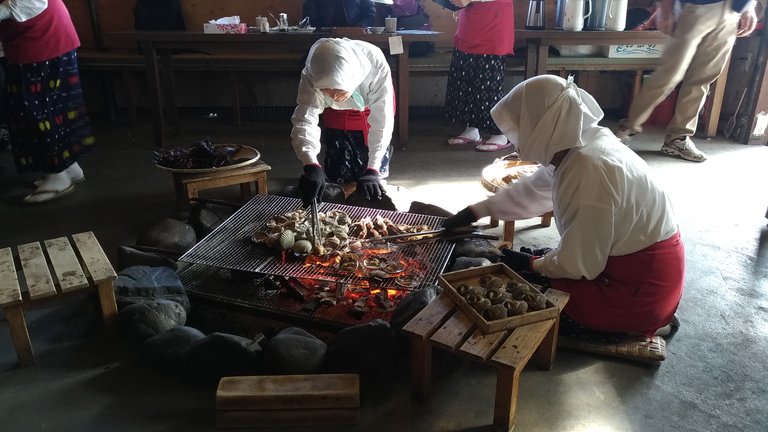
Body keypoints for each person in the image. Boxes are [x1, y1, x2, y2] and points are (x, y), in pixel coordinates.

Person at [443, 75, 685, 338]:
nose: (515, 138)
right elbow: (535, 190)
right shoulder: (581, 145)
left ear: (542, 125)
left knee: (524, 298)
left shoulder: (588, 169)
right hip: (637, 271)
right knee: (531, 262)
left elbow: (580, 265)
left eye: (520, 127)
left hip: (636, 289)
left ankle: (637, 324)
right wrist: (478, 210)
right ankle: (645, 315)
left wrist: (533, 265)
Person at [616, 0, 758, 162]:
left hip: (732, 12)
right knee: (668, 76)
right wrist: (666, 8)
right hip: (696, 8)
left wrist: (749, 7)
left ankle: (678, 138)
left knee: (703, 78)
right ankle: (626, 130)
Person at [0, 0, 94, 203]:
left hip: (40, 38)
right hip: (45, 35)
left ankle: (57, 174)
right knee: (53, 106)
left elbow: (31, 2)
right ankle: (68, 166)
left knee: (35, 109)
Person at [291, 38, 395, 207]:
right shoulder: (313, 69)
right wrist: (310, 163)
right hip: (337, 119)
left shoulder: (375, 65)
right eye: (325, 89)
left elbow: (382, 120)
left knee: (372, 184)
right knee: (339, 172)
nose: (333, 96)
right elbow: (305, 117)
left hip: (370, 110)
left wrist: (373, 169)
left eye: (338, 89)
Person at [444, 0, 515, 152]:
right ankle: (472, 129)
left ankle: (500, 134)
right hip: (470, 25)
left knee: (488, 88)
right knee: (464, 82)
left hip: (492, 26)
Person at [303, 0, 377, 29]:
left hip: (356, 37)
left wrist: (359, 27)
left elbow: (369, 14)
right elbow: (310, 17)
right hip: (324, 38)